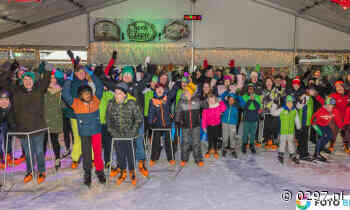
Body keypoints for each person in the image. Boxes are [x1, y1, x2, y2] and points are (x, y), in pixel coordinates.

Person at [0, 69, 51, 184]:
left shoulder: (39, 90)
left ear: (33, 81)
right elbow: (3, 81)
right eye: (25, 80)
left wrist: (45, 68)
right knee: (28, 153)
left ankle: (42, 171)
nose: (28, 81)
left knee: (39, 151)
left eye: (30, 79)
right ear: (22, 81)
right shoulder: (16, 91)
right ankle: (30, 171)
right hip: (23, 129)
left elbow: (46, 78)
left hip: (38, 127)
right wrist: (11, 69)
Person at [62, 70, 106, 187]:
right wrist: (68, 80)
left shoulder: (96, 100)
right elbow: (65, 94)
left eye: (88, 93)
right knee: (86, 153)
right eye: (84, 93)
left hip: (96, 132)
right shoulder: (76, 103)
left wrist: (91, 74)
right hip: (85, 133)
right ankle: (87, 173)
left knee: (97, 153)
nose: (87, 95)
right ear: (80, 95)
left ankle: (99, 171)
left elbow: (100, 86)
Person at [106, 82, 142, 186]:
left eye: (120, 93)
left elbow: (138, 119)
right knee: (120, 154)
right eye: (116, 93)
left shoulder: (131, 103)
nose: (117, 96)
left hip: (130, 135)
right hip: (117, 135)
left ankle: (132, 171)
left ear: (125, 94)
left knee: (131, 154)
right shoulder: (111, 104)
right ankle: (122, 171)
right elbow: (108, 120)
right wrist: (113, 132)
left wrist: (133, 132)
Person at [148, 82, 180, 166]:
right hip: (157, 125)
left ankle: (170, 158)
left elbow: (173, 92)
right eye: (157, 89)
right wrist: (150, 122)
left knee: (168, 142)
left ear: (164, 90)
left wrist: (177, 84)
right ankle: (153, 158)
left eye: (161, 89)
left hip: (167, 123)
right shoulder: (152, 101)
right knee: (155, 142)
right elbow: (150, 112)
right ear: (155, 91)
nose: (159, 90)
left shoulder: (167, 98)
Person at [175, 82, 204, 167]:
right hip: (185, 125)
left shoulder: (197, 100)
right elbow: (178, 112)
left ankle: (198, 159)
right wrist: (177, 121)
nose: (186, 93)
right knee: (185, 142)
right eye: (186, 91)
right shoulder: (181, 101)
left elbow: (205, 104)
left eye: (188, 91)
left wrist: (214, 102)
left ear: (192, 93)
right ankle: (184, 159)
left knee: (196, 142)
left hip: (196, 125)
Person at [271, 95, 301, 164]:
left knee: (291, 142)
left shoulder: (294, 110)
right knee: (282, 142)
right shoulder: (282, 109)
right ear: (285, 103)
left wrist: (298, 126)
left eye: (291, 102)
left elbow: (297, 119)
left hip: (291, 131)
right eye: (288, 102)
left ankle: (292, 155)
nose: (290, 104)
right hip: (283, 131)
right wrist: (275, 104)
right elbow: (273, 113)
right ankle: (281, 153)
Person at [311, 97, 343, 162]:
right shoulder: (321, 110)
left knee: (330, 135)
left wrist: (342, 128)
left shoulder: (335, 111)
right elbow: (313, 119)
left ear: (333, 106)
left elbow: (339, 121)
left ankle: (320, 148)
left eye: (330, 105)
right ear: (324, 105)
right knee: (321, 136)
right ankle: (316, 154)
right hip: (316, 124)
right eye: (327, 105)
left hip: (325, 125)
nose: (328, 107)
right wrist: (314, 122)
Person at [44, 72, 63, 170]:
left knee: (54, 140)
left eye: (54, 78)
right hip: (44, 119)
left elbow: (64, 104)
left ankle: (57, 158)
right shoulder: (43, 90)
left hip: (55, 119)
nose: (52, 80)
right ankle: (41, 160)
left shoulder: (60, 91)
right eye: (51, 78)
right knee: (43, 141)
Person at [202, 93, 227, 159]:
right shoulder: (206, 108)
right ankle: (209, 149)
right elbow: (204, 118)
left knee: (215, 138)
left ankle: (215, 150)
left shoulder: (218, 106)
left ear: (215, 100)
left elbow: (224, 108)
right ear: (208, 100)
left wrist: (220, 101)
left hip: (216, 125)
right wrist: (204, 127)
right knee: (210, 138)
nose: (211, 101)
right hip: (209, 126)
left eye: (212, 100)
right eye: (210, 100)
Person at [220, 92, 244, 158]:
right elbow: (221, 97)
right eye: (230, 99)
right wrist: (227, 91)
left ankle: (232, 149)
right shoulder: (225, 104)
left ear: (235, 100)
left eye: (233, 99)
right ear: (228, 99)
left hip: (233, 123)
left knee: (232, 137)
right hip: (224, 122)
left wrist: (238, 95)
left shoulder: (236, 105)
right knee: (225, 137)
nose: (231, 100)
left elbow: (243, 104)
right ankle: (224, 148)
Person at [242, 83, 261, 154]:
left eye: (252, 89)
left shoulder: (257, 97)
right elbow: (244, 107)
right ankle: (244, 144)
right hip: (247, 116)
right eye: (249, 88)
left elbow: (258, 107)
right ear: (247, 89)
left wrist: (254, 100)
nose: (251, 90)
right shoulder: (245, 96)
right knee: (245, 132)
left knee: (253, 133)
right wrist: (250, 100)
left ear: (254, 90)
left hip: (255, 117)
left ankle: (252, 145)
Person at [0, 89, 15, 169]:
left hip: (7, 126)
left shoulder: (11, 109)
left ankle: (8, 153)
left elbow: (12, 122)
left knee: (8, 134)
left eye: (6, 99)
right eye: (1, 99)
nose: (4, 101)